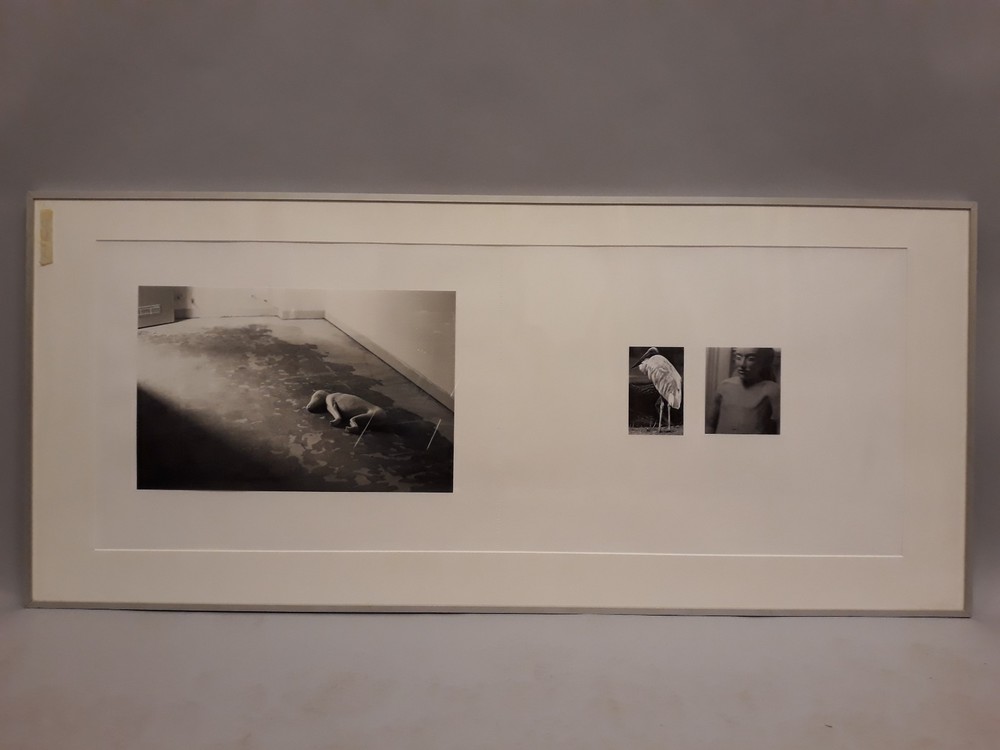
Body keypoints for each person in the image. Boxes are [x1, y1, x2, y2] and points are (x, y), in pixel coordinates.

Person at [706, 348, 780, 434]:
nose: (742, 364)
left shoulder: (771, 390)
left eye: (751, 359)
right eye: (738, 357)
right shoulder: (724, 386)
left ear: (763, 362)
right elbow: (710, 425)